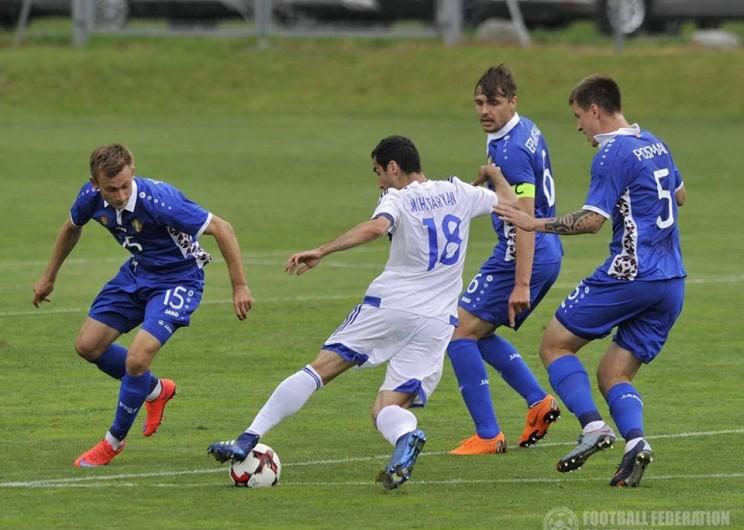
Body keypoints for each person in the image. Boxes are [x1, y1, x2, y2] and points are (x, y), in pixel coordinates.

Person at [207, 135, 517, 489]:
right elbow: (510, 202)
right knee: (387, 406)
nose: (379, 182)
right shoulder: (459, 191)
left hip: (392, 306)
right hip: (438, 321)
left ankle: (248, 437)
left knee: (320, 369)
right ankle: (405, 437)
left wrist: (323, 250)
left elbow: (377, 226)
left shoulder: (398, 197)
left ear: (393, 167)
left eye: (378, 172)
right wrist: (495, 175)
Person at [494, 74, 686, 487]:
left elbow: (591, 221)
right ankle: (636, 442)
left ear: (595, 111)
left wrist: (533, 222)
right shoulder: (655, 143)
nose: (579, 126)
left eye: (579, 116)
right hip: (672, 281)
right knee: (613, 374)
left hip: (631, 274)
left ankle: (594, 427)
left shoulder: (611, 153)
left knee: (554, 344)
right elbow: (680, 195)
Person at [32, 144, 254, 468]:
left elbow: (223, 228)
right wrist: (49, 276)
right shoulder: (90, 197)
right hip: (138, 273)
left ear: (133, 172)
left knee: (136, 360)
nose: (120, 195)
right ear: (95, 183)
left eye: (125, 185)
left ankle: (113, 442)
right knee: (88, 345)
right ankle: (155, 390)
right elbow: (71, 227)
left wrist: (240, 285)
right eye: (111, 189)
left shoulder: (160, 200)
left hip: (179, 281)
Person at [447, 65, 563, 456]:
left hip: (522, 252)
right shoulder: (521, 129)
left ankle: (488, 434)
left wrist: (521, 283)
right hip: (541, 249)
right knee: (477, 332)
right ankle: (538, 402)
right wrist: (491, 177)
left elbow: (524, 217)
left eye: (493, 103)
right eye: (479, 102)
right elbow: (515, 187)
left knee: (458, 333)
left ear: (512, 101)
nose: (485, 110)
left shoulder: (511, 151)